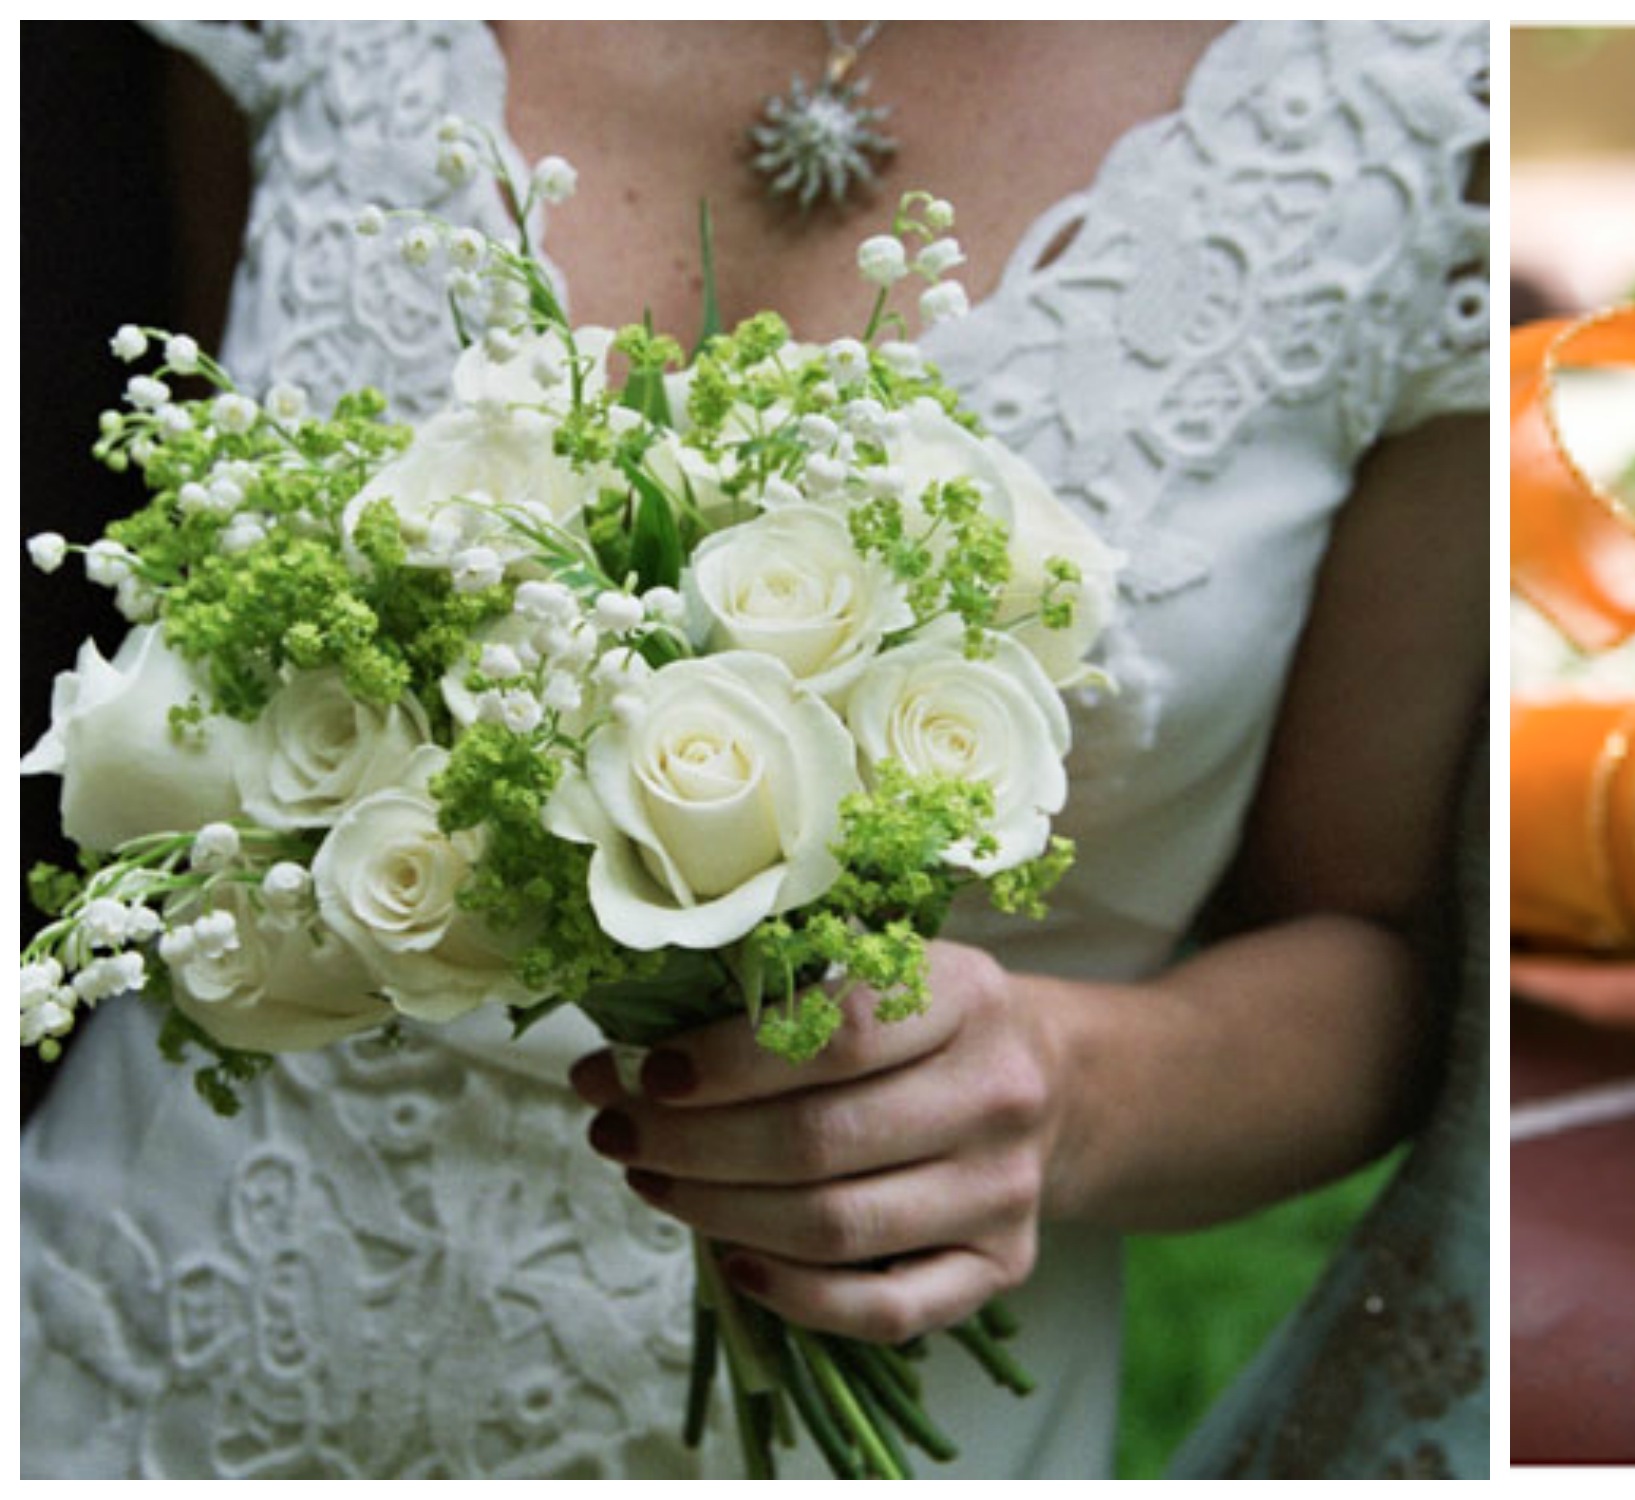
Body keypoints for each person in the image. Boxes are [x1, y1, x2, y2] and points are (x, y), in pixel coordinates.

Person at [18, 20, 1490, 1479]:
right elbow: (199, 566)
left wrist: (1065, 1089)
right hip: (144, 1333)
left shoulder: (1420, 98)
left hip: (866, 1397)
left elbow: (1372, 938)